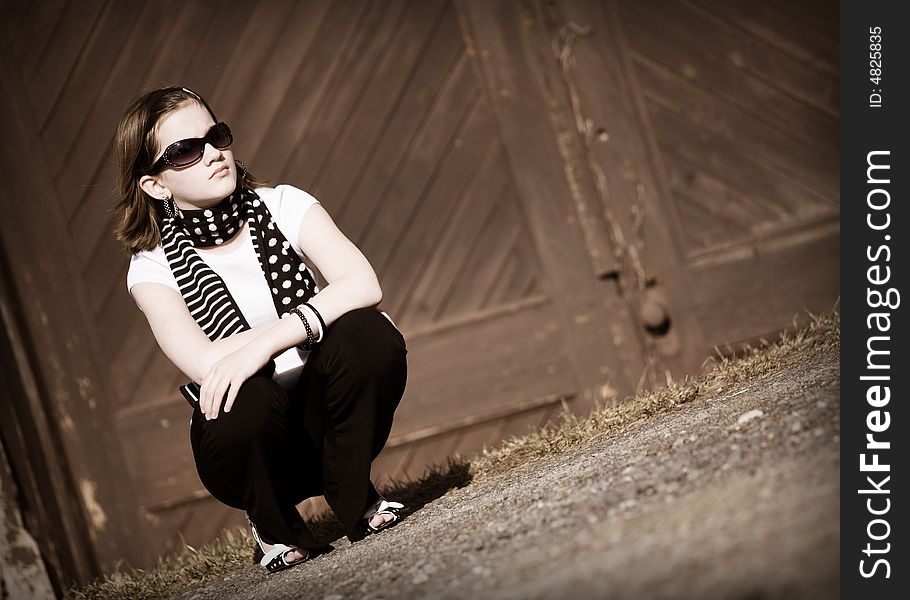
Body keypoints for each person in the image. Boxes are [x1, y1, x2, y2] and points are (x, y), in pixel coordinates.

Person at [112, 86, 408, 573]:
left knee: (367, 335)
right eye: (186, 151)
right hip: (249, 442)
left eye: (217, 136)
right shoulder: (151, 267)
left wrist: (268, 339)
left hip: (329, 419)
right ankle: (276, 529)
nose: (212, 153)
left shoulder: (285, 205)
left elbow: (362, 283)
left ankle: (354, 495)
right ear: (156, 185)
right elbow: (205, 362)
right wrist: (312, 318)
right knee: (238, 391)